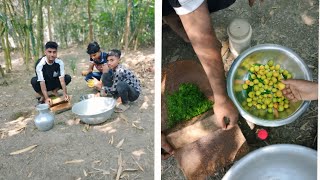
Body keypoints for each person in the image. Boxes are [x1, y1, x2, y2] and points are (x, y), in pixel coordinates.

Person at [31, 41, 71, 105]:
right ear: (45, 52)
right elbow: (42, 83)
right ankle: (43, 96)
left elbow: (62, 80)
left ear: (56, 52)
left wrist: (65, 93)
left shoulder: (59, 62)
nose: (52, 55)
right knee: (34, 81)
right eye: (49, 52)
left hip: (54, 82)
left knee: (67, 77)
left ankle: (54, 91)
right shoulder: (40, 64)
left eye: (54, 52)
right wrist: (47, 98)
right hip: (45, 84)